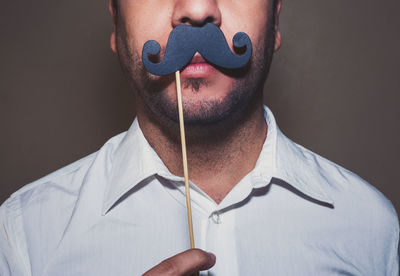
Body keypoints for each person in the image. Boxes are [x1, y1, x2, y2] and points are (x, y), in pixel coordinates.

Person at [1, 0, 399, 275]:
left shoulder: (373, 230)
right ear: (115, 20)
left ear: (275, 21)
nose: (196, 9)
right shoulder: (22, 237)